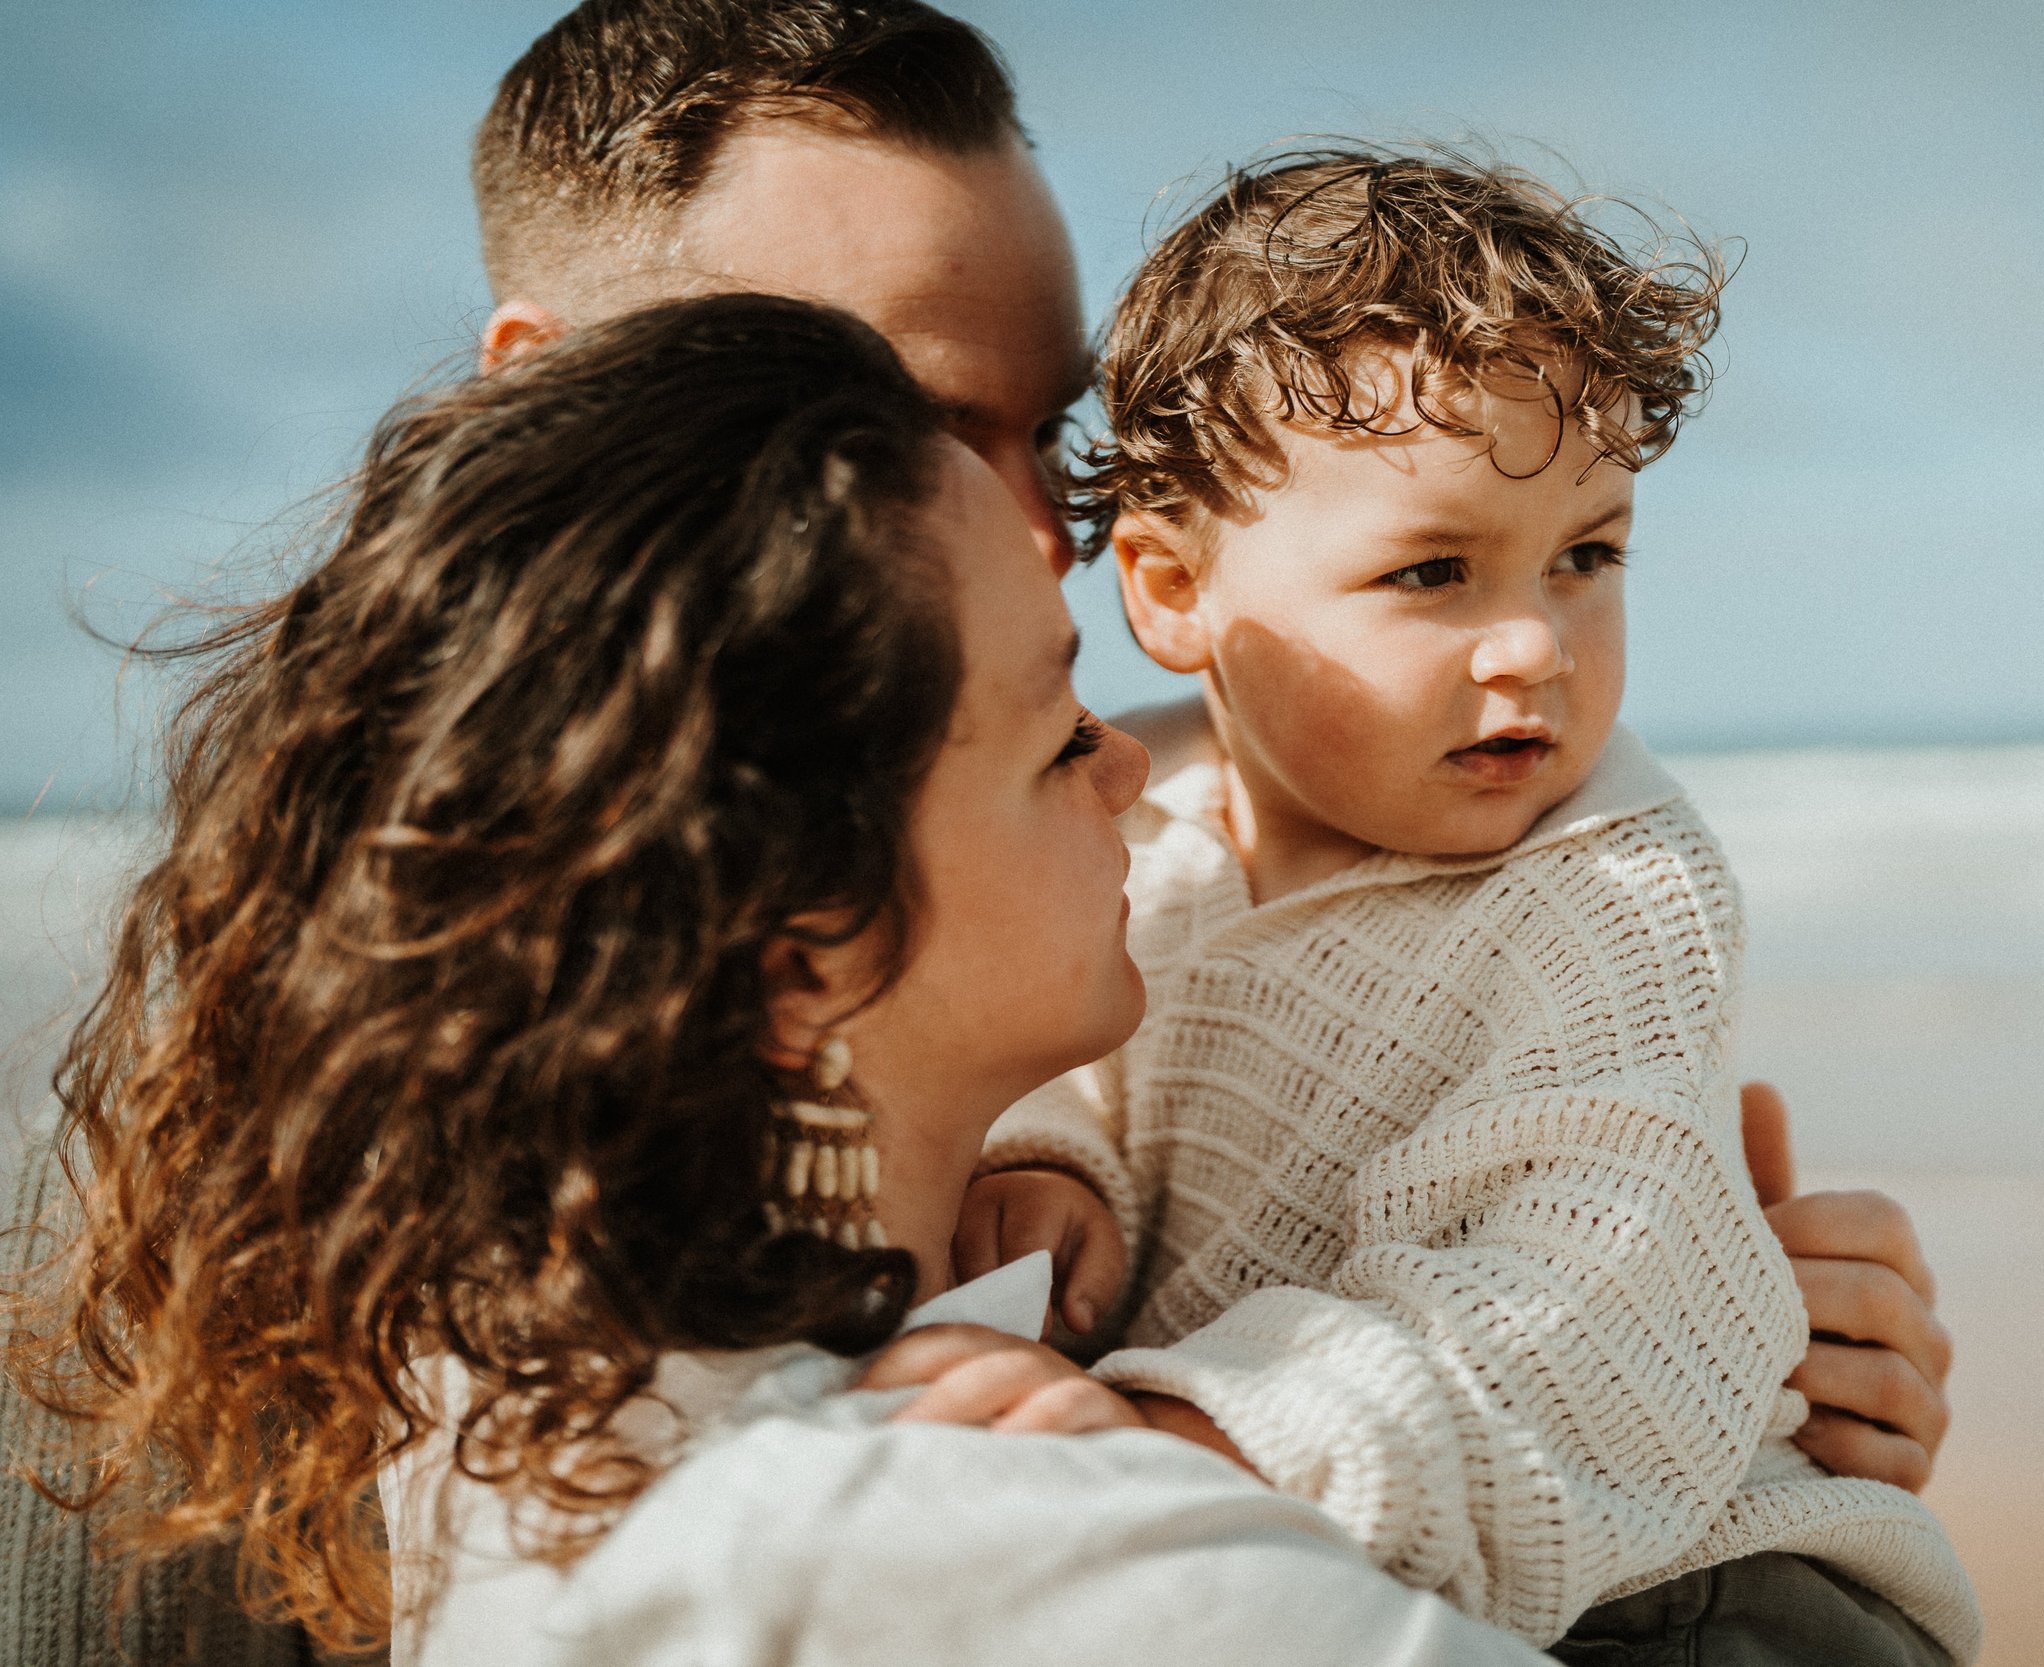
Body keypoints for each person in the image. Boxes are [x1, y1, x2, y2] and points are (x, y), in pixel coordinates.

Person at [469, 0, 1956, 1504]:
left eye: (1050, 433)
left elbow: (1581, 1291)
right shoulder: (412, 1068)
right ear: (546, 392)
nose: (1047, 534)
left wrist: (1708, 1327)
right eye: (894, 425)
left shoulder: (1102, 794)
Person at [4, 292, 1567, 1667]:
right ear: (796, 947)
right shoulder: (974, 1550)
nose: (1127, 777)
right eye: (1051, 735)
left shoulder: (511, 1401)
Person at [944, 149, 1981, 1663]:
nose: (1534, 649)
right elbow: (1082, 1047)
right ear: (1169, 591)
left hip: (1695, 1592)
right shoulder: (1133, 830)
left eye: (1588, 555)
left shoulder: (1613, 890)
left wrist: (1191, 1436)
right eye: (1434, 570)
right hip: (1365, 1547)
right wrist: (1060, 1160)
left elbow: (1567, 1292)